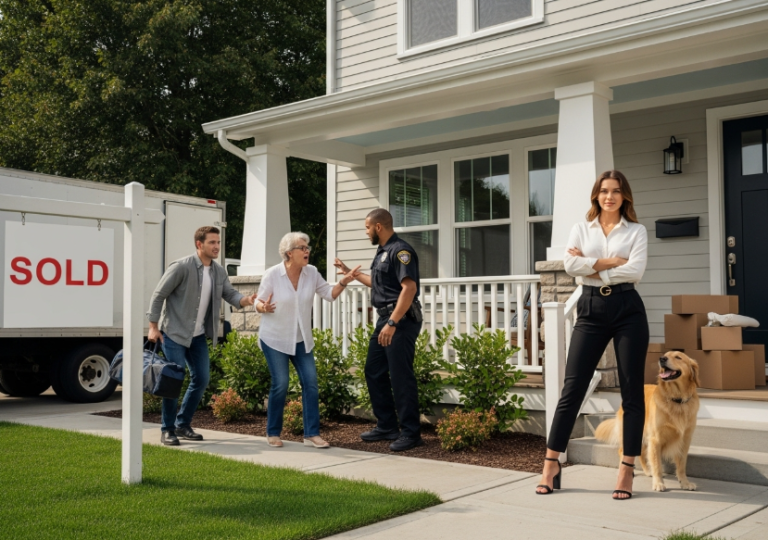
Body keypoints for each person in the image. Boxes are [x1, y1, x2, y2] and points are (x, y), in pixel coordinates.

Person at [536, 170, 649, 500]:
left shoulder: (636, 231)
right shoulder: (580, 228)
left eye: (615, 191)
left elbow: (636, 269)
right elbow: (569, 268)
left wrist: (593, 265)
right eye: (603, 191)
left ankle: (626, 469)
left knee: (631, 391)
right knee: (572, 387)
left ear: (624, 195)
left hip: (628, 308)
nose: (609, 196)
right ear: (595, 196)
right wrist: (610, 262)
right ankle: (550, 464)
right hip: (590, 308)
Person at [147, 226, 257, 446]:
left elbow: (230, 293)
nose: (217, 246)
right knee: (173, 382)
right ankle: (167, 429)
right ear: (199, 244)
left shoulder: (218, 271)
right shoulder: (181, 267)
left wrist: (248, 300)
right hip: (174, 333)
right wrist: (153, 326)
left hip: (197, 337)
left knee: (202, 379)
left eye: (218, 242)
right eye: (212, 242)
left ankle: (182, 424)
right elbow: (159, 295)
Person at [256, 232, 360, 449]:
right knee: (281, 383)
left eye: (308, 247)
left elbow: (329, 294)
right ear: (289, 253)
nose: (307, 251)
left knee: (310, 383)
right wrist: (262, 307)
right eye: (302, 248)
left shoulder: (311, 272)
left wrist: (344, 280)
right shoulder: (273, 274)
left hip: (301, 338)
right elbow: (258, 301)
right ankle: (273, 432)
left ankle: (311, 434)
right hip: (275, 338)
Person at [334, 209, 424, 452]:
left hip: (400, 320)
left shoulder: (401, 251)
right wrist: (350, 273)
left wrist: (393, 324)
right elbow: (379, 282)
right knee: (374, 371)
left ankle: (411, 433)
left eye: (367, 227)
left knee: (400, 376)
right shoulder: (382, 252)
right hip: (385, 320)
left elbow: (409, 289)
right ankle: (387, 426)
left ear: (379, 227)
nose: (366, 232)